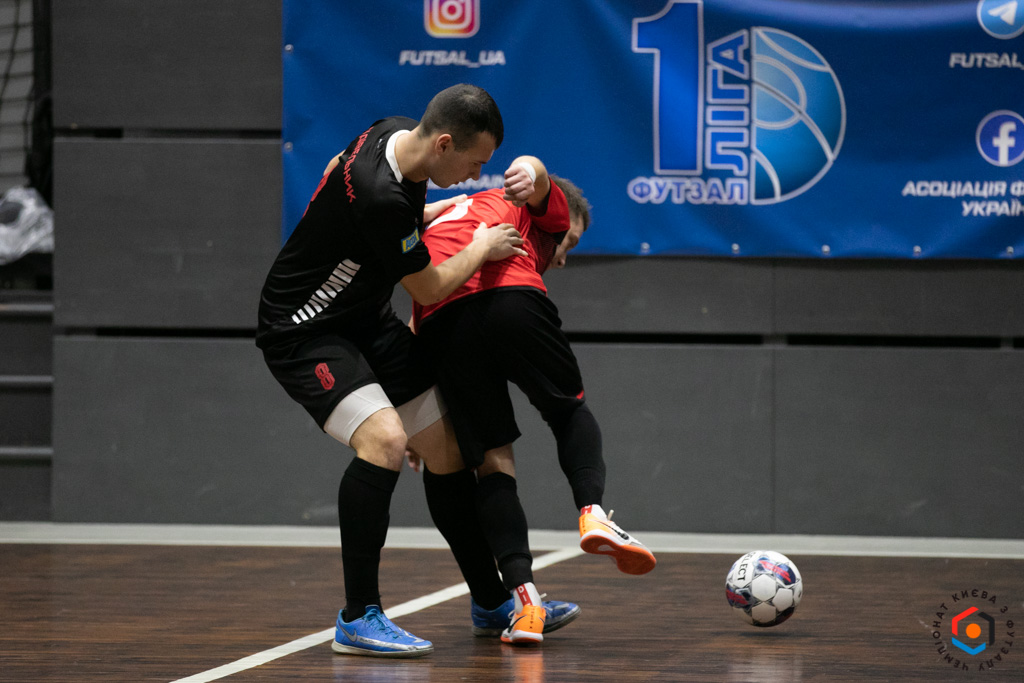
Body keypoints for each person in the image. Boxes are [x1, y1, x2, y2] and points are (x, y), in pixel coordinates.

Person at [255, 84, 576, 658]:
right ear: (445, 143)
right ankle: (358, 616)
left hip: (365, 317)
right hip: (305, 328)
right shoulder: (383, 197)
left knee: (447, 449)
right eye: (475, 163)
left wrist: (425, 213)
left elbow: (333, 170)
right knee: (384, 441)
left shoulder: (393, 133)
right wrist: (482, 246)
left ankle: (491, 603)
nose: (477, 175)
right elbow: (428, 287)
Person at [412, 156, 657, 645]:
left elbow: (418, 314)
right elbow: (537, 173)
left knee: (493, 463)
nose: (563, 257)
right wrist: (532, 170)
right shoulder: (533, 211)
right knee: (568, 409)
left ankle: (525, 606)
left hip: (439, 322)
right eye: (571, 242)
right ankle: (593, 512)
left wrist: (415, 414)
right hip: (510, 298)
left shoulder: (453, 210)